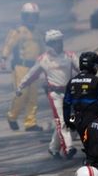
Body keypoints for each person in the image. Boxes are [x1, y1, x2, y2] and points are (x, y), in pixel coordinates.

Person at [18, 29, 77, 158]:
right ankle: (68, 148)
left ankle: (53, 147)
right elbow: (31, 75)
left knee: (72, 121)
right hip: (54, 94)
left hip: (71, 94)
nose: (59, 45)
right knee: (61, 122)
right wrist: (21, 86)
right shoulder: (43, 59)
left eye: (59, 42)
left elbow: (83, 70)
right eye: (55, 42)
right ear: (49, 44)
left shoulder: (70, 56)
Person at [1, 2, 43, 131]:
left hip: (35, 67)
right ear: (24, 16)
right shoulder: (18, 31)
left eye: (34, 16)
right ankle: (12, 116)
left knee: (33, 96)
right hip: (21, 67)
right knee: (22, 93)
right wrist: (4, 58)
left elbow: (42, 49)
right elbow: (9, 45)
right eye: (29, 16)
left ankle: (30, 122)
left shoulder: (38, 33)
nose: (32, 19)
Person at [64, 51, 98, 141]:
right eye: (96, 65)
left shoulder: (71, 82)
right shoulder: (97, 81)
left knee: (86, 142)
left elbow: (66, 103)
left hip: (77, 120)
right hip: (94, 120)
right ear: (93, 66)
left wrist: (68, 121)